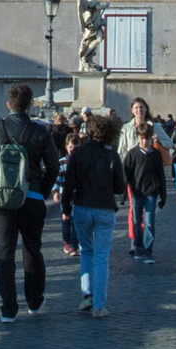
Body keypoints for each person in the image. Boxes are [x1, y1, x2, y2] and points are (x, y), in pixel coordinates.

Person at [0, 83, 64, 321]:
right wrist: (42, 191)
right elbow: (53, 166)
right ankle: (34, 301)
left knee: (5, 253)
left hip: (1, 200)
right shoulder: (40, 132)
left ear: (8, 105)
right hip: (32, 197)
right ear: (30, 105)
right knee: (32, 250)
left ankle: (8, 309)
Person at [57, 112, 125, 317]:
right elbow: (120, 186)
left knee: (86, 251)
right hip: (104, 208)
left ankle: (87, 294)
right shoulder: (112, 156)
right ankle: (99, 305)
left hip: (82, 207)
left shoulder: (77, 153)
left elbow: (69, 185)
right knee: (102, 257)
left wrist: (67, 209)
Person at [123, 120, 167, 263]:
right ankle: (138, 246)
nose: (144, 142)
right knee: (136, 221)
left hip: (151, 192)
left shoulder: (155, 154)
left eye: (147, 139)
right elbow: (127, 175)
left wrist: (163, 194)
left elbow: (161, 175)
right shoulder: (132, 153)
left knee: (149, 222)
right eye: (142, 138)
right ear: (138, 137)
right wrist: (124, 195)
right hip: (136, 192)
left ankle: (148, 250)